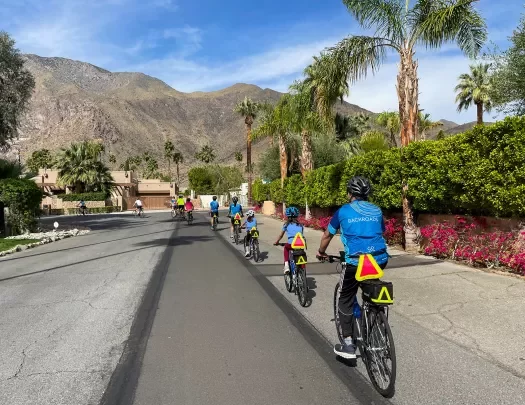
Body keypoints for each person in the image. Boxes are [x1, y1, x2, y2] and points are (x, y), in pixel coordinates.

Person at [316, 176, 388, 360]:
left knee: (345, 297)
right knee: (371, 289)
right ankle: (375, 314)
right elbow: (381, 231)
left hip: (356, 261)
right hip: (379, 259)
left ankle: (348, 344)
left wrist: (321, 252)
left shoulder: (343, 211)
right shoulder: (377, 210)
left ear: (350, 193)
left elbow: (326, 235)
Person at [273, 206, 305, 274]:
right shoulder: (300, 225)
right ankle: (302, 268)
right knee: (301, 252)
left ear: (287, 216)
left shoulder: (286, 225)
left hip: (291, 244)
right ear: (297, 216)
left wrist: (277, 242)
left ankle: (286, 265)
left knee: (286, 248)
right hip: (300, 244)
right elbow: (301, 234)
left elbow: (281, 235)